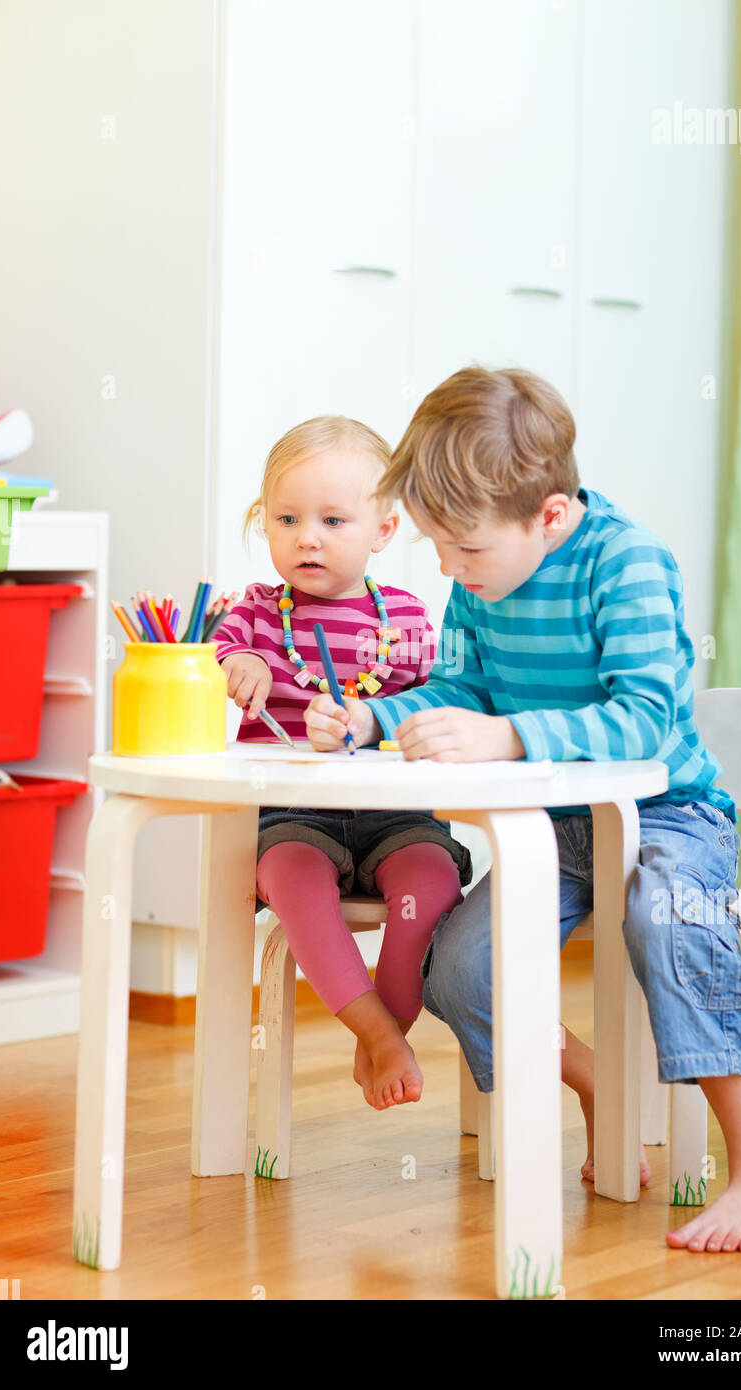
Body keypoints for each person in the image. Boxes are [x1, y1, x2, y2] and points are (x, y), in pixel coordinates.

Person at [305, 367, 741, 1253]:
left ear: (552, 517)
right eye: (438, 550)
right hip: (560, 829)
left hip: (671, 816)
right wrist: (376, 715)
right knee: (458, 969)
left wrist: (509, 738)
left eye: (466, 551)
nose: (451, 571)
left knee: (668, 919)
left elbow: (646, 719)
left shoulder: (629, 561)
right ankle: (596, 1082)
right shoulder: (482, 578)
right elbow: (459, 684)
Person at [212, 415, 471, 1112]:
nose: (308, 537)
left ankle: (388, 1029)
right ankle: (375, 1030)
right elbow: (213, 658)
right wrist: (235, 665)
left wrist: (404, 721)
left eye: (332, 519)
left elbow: (447, 701)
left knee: (434, 876)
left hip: (396, 816)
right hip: (295, 818)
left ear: (383, 531)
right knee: (293, 878)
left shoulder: (410, 623)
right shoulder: (257, 615)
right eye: (287, 518)